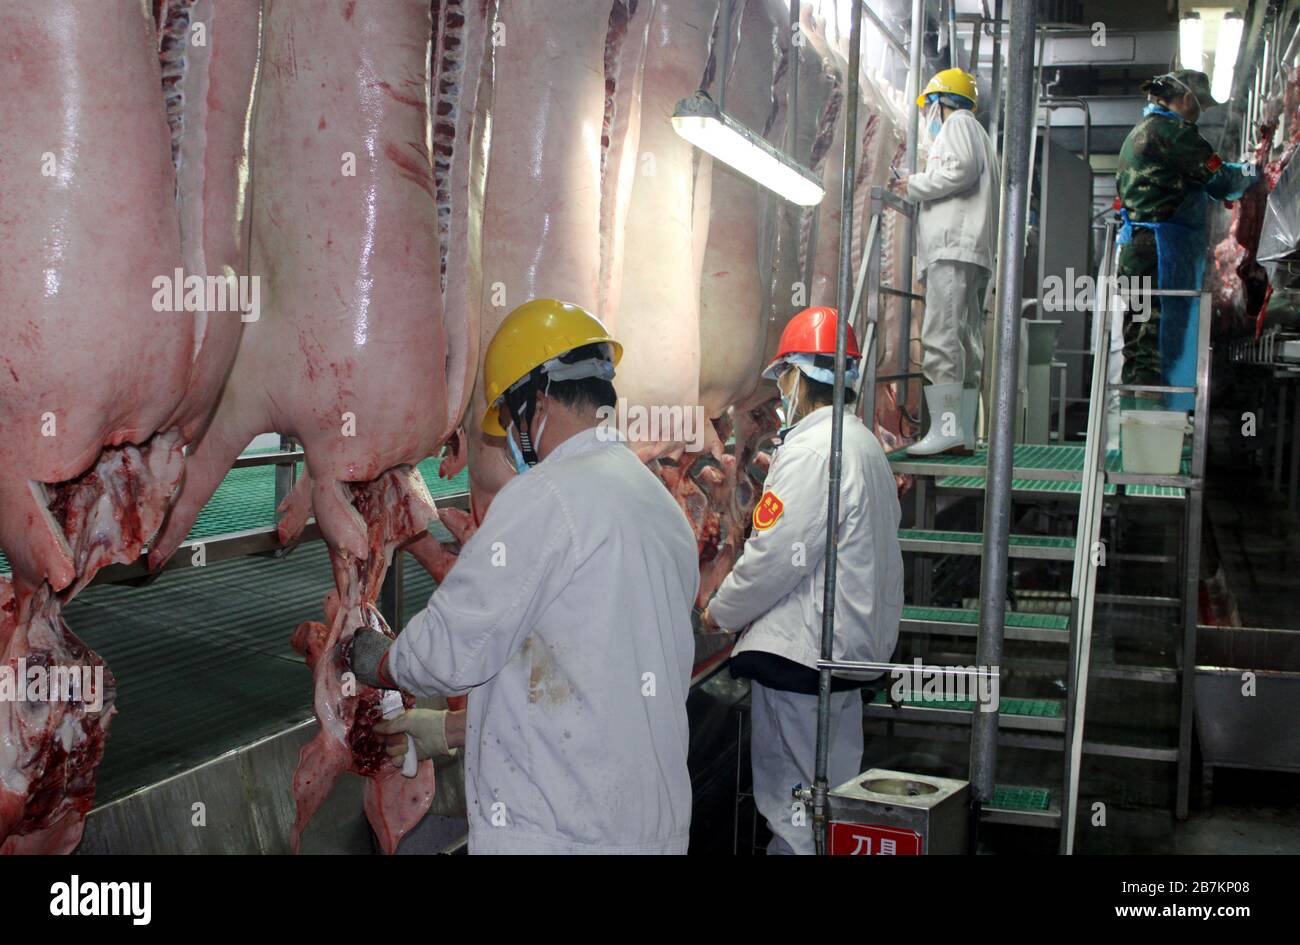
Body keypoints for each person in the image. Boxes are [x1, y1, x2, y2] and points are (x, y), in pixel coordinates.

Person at [350, 297, 700, 854]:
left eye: (510, 419)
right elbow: (593, 685)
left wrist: (383, 661)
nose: (511, 441)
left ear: (536, 402)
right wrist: (448, 731)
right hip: (646, 830)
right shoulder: (655, 503)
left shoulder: (548, 497)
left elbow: (452, 649)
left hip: (560, 833)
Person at [700, 306, 904, 855]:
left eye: (782, 379)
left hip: (806, 656)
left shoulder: (815, 448)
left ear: (794, 375)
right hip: (845, 651)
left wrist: (720, 611)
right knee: (830, 794)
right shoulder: (862, 445)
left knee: (794, 809)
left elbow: (775, 557)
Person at [1114, 69, 1259, 415]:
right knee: (1155, 342)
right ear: (1184, 98)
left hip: (1138, 248)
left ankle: (1134, 434)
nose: (1202, 112)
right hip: (1160, 251)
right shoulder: (1173, 133)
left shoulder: (1142, 130)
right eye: (1201, 104)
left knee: (1138, 342)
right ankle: (1150, 437)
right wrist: (1255, 171)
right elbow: (1221, 180)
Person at [899, 68, 999, 456]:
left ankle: (946, 429)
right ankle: (964, 430)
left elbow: (960, 170)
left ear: (940, 103)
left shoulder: (958, 124)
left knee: (941, 339)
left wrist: (914, 186)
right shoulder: (979, 133)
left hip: (952, 247)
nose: (929, 116)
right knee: (966, 341)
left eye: (929, 107)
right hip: (968, 249)